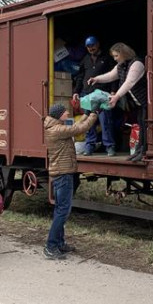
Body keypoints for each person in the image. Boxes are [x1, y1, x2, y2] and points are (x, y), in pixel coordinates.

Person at [43, 102, 101, 260]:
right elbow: (79, 129)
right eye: (65, 112)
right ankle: (50, 246)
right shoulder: (58, 130)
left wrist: (87, 114)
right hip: (63, 174)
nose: (68, 114)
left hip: (62, 173)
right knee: (63, 211)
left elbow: (75, 125)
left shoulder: (56, 126)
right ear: (59, 115)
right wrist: (95, 114)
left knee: (60, 210)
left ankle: (59, 243)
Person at [88, 42, 147, 162]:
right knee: (141, 125)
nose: (115, 59)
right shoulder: (121, 65)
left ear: (123, 53)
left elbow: (129, 82)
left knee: (145, 125)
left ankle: (144, 150)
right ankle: (140, 150)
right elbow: (110, 76)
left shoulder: (137, 64)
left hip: (145, 100)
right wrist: (97, 78)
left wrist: (116, 96)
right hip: (138, 103)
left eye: (116, 56)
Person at [73, 35, 117, 156]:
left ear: (98, 44)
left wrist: (113, 91)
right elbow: (80, 77)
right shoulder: (85, 59)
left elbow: (114, 76)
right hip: (87, 94)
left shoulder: (107, 58)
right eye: (88, 46)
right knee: (88, 122)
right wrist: (76, 91)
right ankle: (89, 146)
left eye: (92, 45)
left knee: (105, 121)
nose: (90, 48)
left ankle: (109, 146)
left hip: (102, 94)